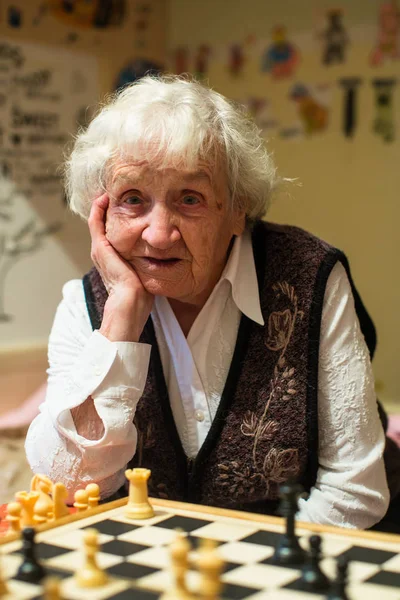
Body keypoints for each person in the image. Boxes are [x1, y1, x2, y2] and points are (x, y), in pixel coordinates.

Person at [26, 74, 392, 529]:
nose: (159, 234)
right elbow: (68, 483)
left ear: (238, 209)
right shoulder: (86, 302)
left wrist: (237, 578)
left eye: (190, 198)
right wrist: (120, 317)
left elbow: (355, 493)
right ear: (99, 212)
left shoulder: (309, 274)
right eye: (133, 198)